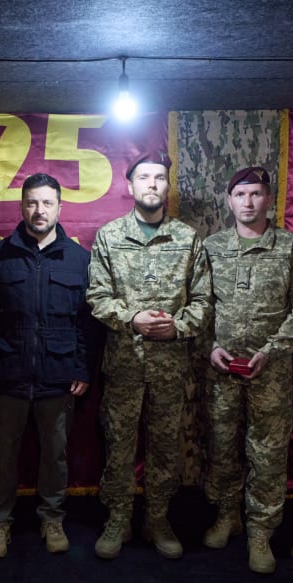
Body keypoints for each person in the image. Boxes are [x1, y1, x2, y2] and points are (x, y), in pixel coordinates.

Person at [87, 150, 212, 560]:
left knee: (163, 446)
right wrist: (132, 318)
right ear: (130, 186)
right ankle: (118, 516)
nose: (152, 184)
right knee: (119, 443)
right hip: (124, 364)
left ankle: (157, 517)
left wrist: (177, 325)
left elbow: (203, 301)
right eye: (144, 178)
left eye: (159, 178)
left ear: (167, 186)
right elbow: (98, 297)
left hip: (170, 366)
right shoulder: (109, 236)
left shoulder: (187, 238)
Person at [202, 166, 293, 573]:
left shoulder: (290, 248)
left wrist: (273, 350)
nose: (248, 203)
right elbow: (199, 304)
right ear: (229, 200)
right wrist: (209, 347)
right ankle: (226, 514)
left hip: (270, 371)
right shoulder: (211, 248)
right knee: (222, 445)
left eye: (256, 195)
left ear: (269, 200)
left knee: (267, 453)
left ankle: (261, 529)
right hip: (221, 371)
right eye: (240, 195)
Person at [0, 173, 94, 558]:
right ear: (21, 206)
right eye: (31, 202)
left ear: (60, 207)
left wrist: (80, 368)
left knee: (55, 454)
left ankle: (52, 517)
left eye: (47, 203)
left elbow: (86, 321)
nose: (39, 210)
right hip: (7, 373)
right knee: (1, 455)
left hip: (58, 375)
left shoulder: (79, 259)